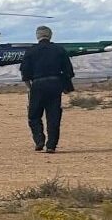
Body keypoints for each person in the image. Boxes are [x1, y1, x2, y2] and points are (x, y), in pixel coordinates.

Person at [19, 25, 74, 153]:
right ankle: (51, 145)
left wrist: (30, 88)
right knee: (53, 116)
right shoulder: (59, 50)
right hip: (55, 85)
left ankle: (39, 140)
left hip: (37, 85)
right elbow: (68, 71)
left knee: (34, 115)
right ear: (50, 35)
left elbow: (25, 73)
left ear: (37, 36)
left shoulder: (31, 51)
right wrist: (66, 87)